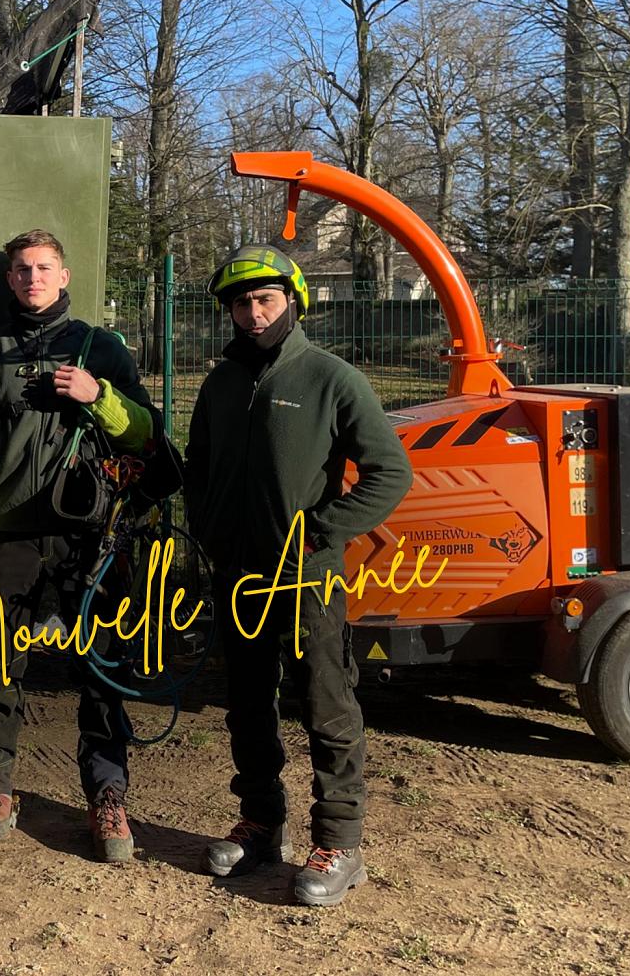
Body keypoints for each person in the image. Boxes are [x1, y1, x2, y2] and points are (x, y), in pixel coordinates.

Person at [183, 245, 411, 907]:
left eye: (266, 300)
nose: (253, 315)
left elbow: (390, 472)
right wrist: (207, 525)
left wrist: (321, 530)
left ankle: (340, 842)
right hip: (238, 574)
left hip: (307, 577)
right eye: (241, 304)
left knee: (326, 703)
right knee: (248, 704)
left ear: (293, 300)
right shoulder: (222, 382)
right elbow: (199, 464)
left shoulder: (331, 377)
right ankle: (261, 825)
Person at [0, 228, 155, 862]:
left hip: (88, 537)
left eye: (43, 268)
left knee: (100, 670)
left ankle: (108, 798)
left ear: (64, 277)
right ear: (10, 280)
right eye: (20, 269)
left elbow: (147, 436)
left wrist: (102, 398)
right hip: (10, 535)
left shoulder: (102, 348)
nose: (32, 278)